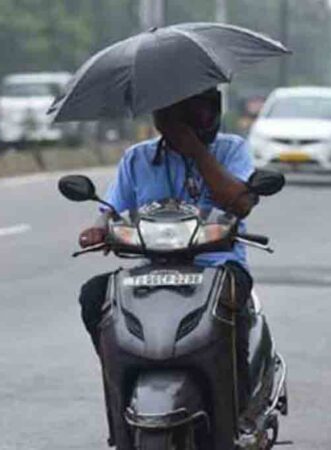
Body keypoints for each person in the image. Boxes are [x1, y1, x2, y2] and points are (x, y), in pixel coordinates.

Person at [77, 87, 257, 409]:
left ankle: (240, 405)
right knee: (94, 295)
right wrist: (99, 229)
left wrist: (197, 152)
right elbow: (111, 210)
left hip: (216, 265)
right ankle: (121, 392)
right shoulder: (138, 158)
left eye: (196, 109)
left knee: (232, 303)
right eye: (168, 111)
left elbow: (240, 203)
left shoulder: (232, 150)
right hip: (152, 270)